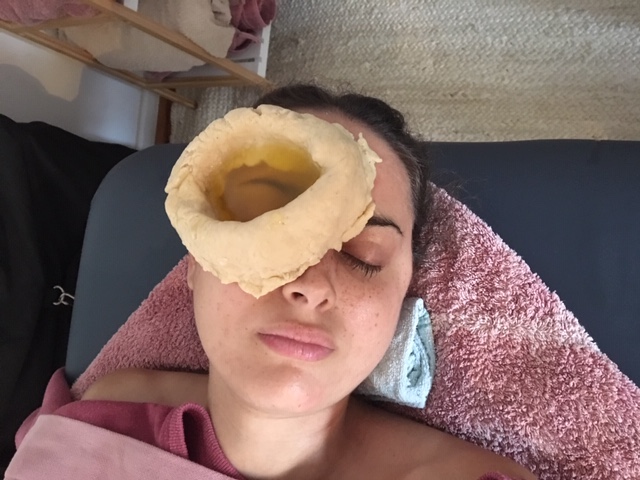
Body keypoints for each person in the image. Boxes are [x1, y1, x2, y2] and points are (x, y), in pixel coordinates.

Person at [24, 85, 537, 480]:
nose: (310, 286)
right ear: (197, 262)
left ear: (405, 292)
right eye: (265, 224)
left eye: (361, 256)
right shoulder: (105, 418)